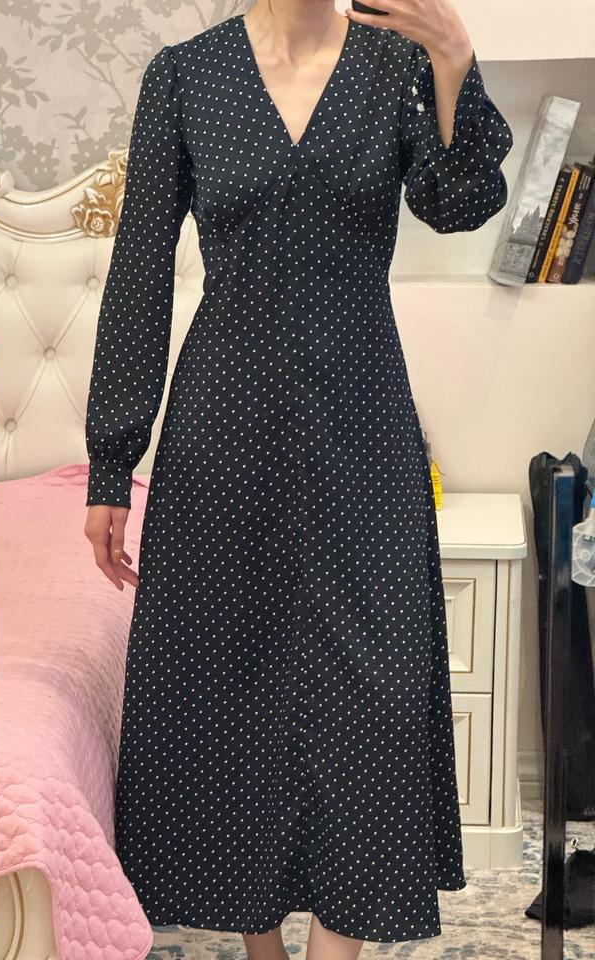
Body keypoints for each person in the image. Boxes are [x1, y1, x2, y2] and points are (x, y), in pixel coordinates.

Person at [83, 1, 513, 957]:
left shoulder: (396, 66)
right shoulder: (185, 77)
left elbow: (458, 204)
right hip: (223, 435)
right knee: (229, 689)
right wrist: (111, 461)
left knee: (377, 693)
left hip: (362, 426)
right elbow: (140, 269)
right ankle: (261, 945)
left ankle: (338, 943)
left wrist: (453, 57)